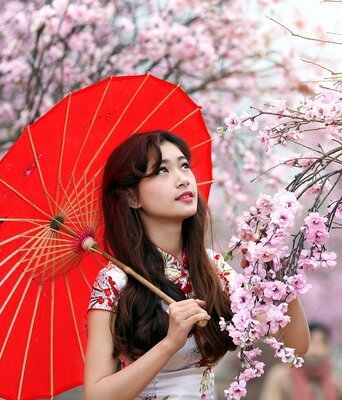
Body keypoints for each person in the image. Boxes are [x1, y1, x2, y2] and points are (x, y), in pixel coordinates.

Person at [83, 131, 310, 400]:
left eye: (184, 166)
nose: (182, 179)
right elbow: (96, 395)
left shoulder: (212, 268)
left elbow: (297, 346)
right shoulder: (115, 281)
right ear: (133, 198)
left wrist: (274, 279)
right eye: (162, 171)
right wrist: (170, 343)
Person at [259, 322, 340, 400]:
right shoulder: (281, 376)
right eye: (312, 342)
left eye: (322, 342)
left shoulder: (332, 379)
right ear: (302, 343)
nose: (316, 349)